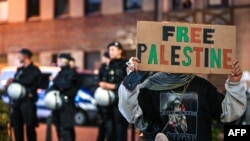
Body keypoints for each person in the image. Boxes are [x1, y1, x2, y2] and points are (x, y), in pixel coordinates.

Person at [118, 57, 247, 141]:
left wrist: (234, 83)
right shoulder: (150, 87)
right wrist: (131, 79)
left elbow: (229, 112)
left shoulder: (203, 87)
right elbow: (131, 114)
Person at [5, 48, 41, 141]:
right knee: (17, 126)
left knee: (30, 127)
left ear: (25, 56)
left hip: (28, 102)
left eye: (20, 56)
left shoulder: (34, 70)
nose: (18, 58)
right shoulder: (20, 70)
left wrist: (15, 80)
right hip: (17, 102)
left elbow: (30, 81)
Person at [98, 41, 129, 141]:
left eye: (113, 49)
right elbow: (98, 80)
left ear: (120, 51)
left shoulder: (126, 65)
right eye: (109, 50)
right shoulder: (106, 66)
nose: (110, 52)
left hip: (120, 102)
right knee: (109, 130)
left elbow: (128, 83)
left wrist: (111, 86)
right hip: (107, 103)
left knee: (120, 130)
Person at [48, 53, 79, 141]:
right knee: (59, 130)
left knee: (66, 131)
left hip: (67, 106)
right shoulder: (60, 73)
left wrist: (54, 80)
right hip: (58, 105)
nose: (57, 62)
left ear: (63, 61)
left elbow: (65, 85)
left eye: (58, 60)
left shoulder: (71, 73)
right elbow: (53, 87)